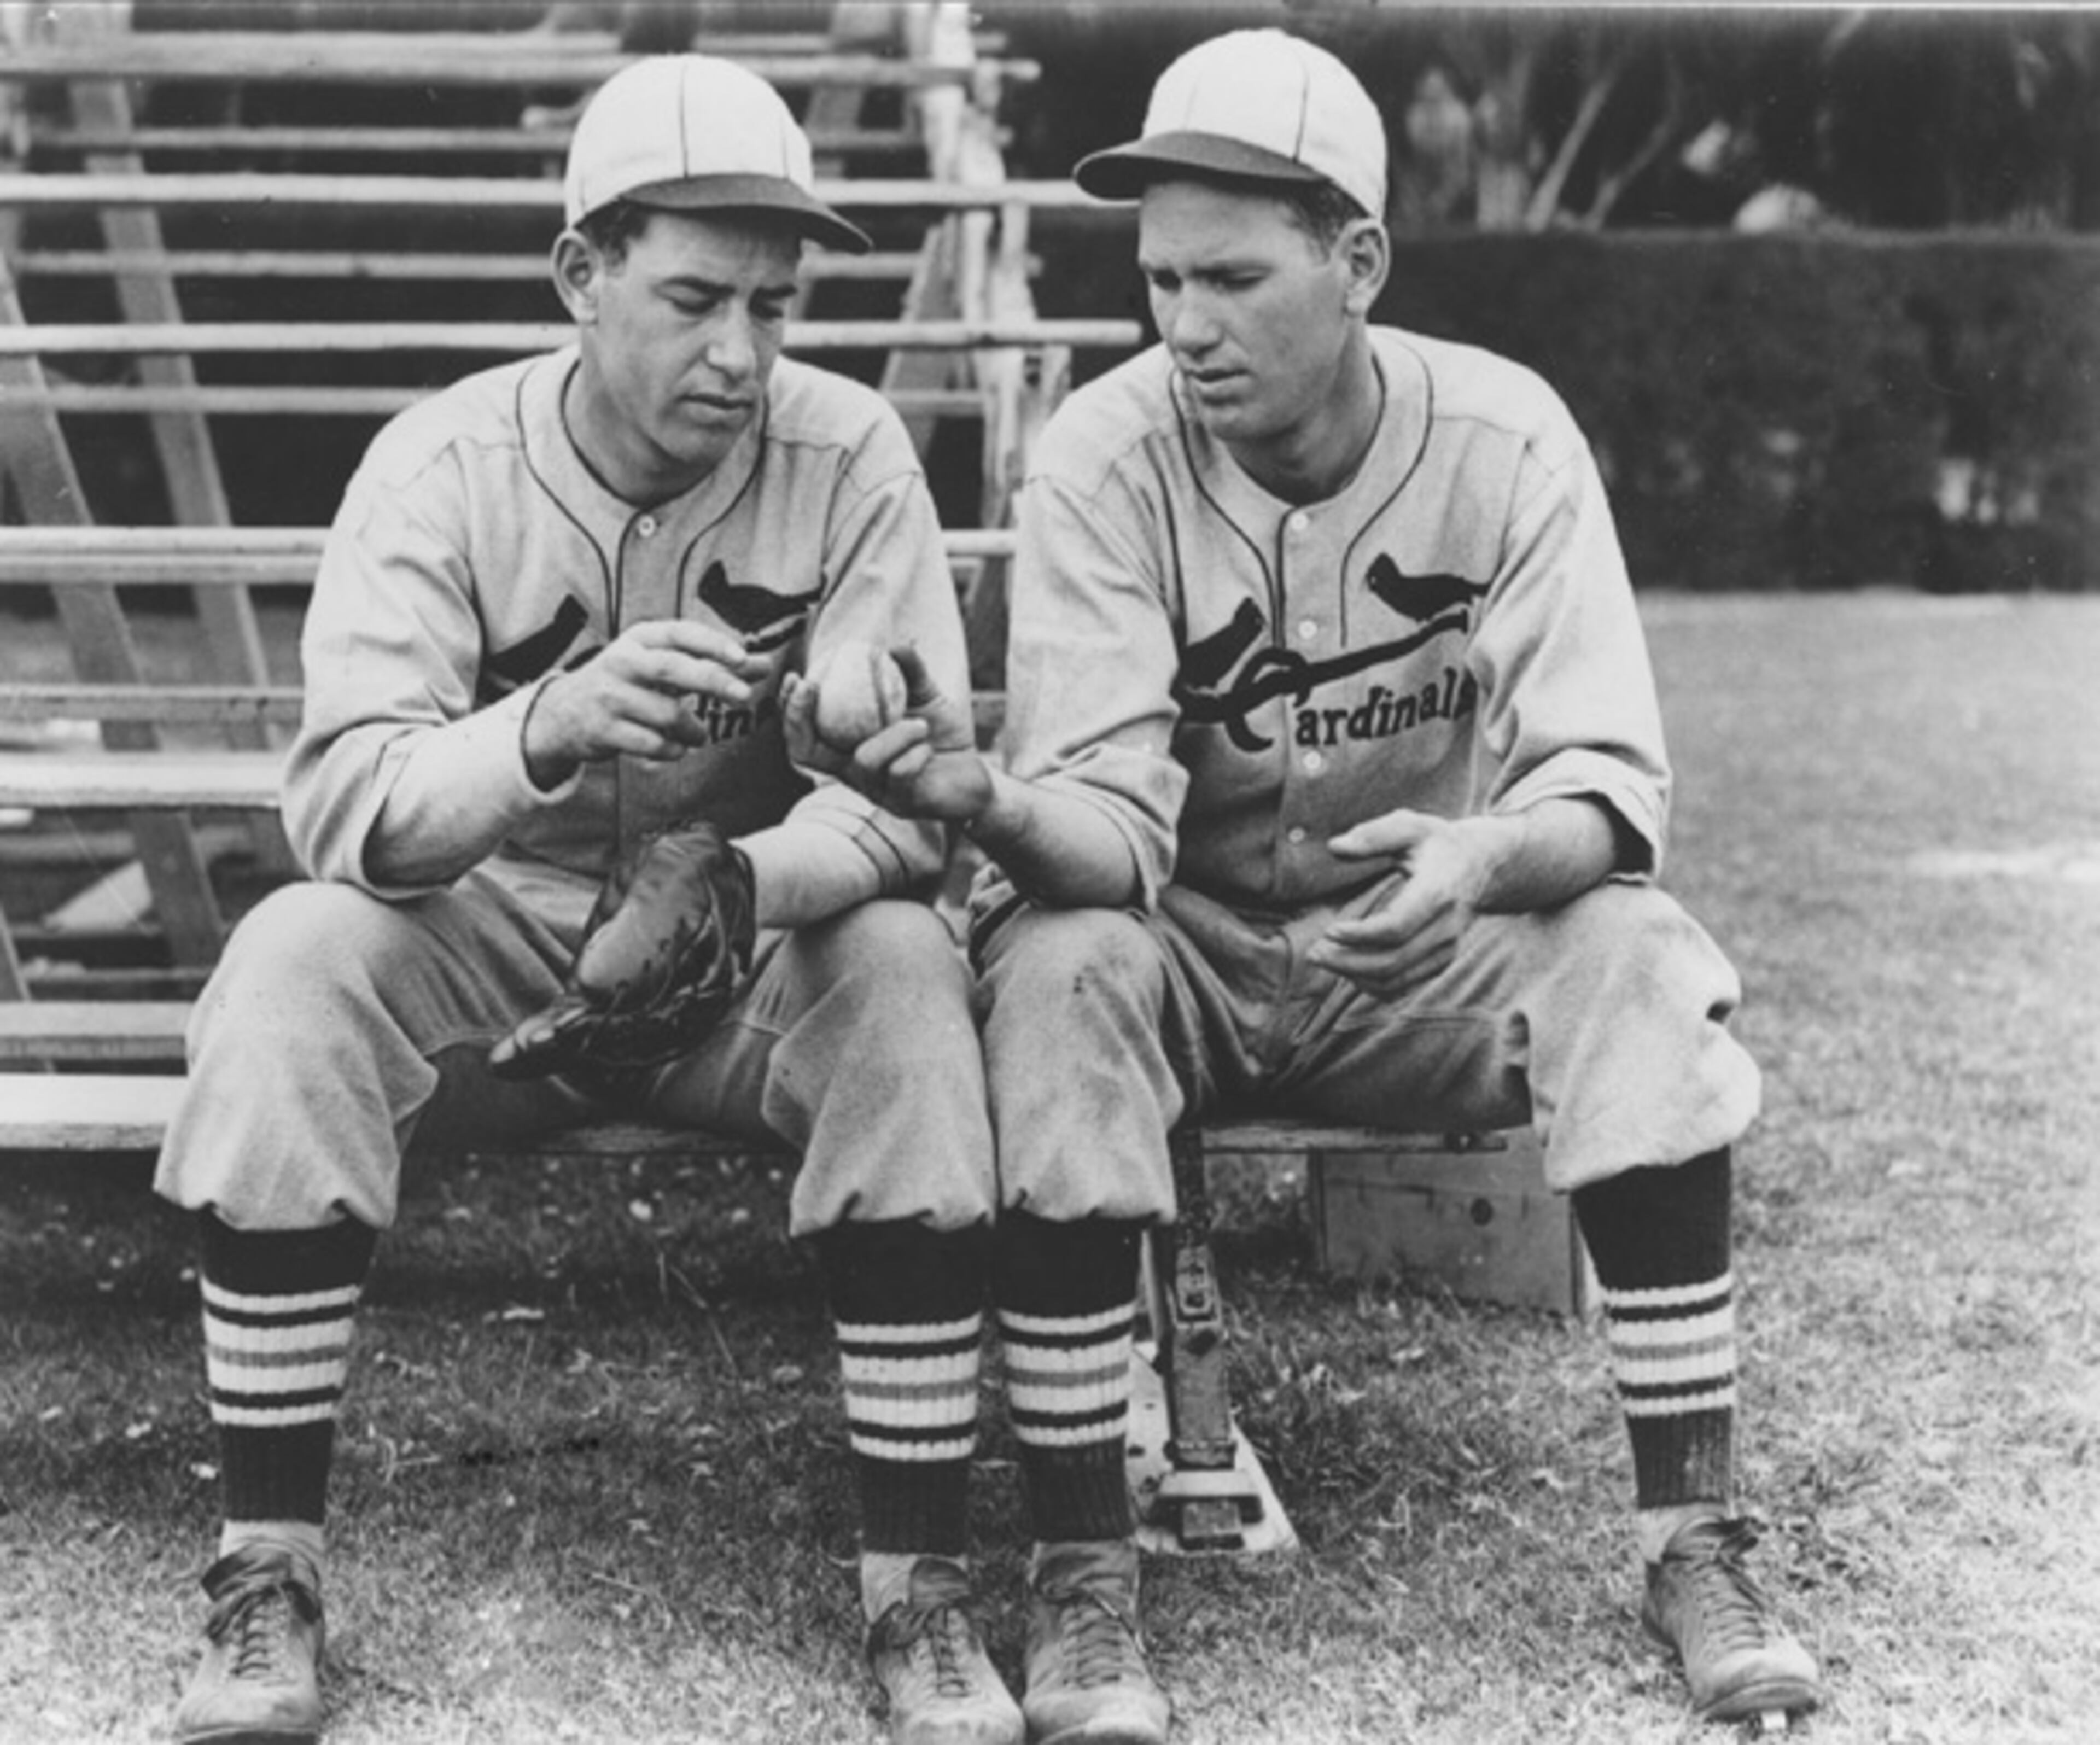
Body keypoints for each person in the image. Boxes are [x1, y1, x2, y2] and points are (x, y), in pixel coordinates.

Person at [787, 27, 1824, 1732]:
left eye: (1234, 278)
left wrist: (1491, 851)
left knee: (1635, 950)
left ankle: (1694, 1536)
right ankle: (1085, 1586)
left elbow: (1611, 786)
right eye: (1160, 280)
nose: (1183, 326)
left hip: (1422, 941)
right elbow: (1105, 833)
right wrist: (991, 802)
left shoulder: (1505, 436)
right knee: (1058, 964)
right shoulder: (1108, 454)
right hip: (1177, 946)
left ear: (1359, 265)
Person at [151, 52, 1116, 1745]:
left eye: (772, 303)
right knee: (291, 958)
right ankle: (264, 1573)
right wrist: (543, 724)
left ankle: (919, 1593)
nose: (740, 355)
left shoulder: (852, 451)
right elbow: (343, 809)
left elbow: (910, 820)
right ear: (579, 278)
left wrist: (751, 875)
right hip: (496, 933)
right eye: (691, 298)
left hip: (746, 949)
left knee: (897, 970)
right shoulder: (442, 462)